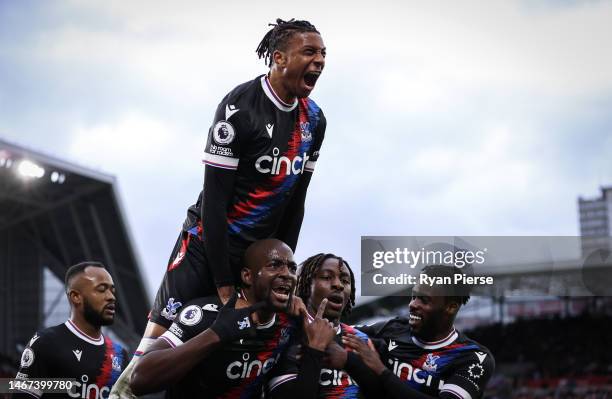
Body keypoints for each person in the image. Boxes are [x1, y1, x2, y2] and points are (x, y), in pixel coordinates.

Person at [112, 18, 327, 398]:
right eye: (309, 52)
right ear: (278, 58)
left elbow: (297, 201)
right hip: (204, 246)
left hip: (256, 255)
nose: (320, 61)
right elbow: (214, 203)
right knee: (150, 355)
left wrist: (284, 267)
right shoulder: (239, 108)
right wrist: (224, 282)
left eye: (323, 54)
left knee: (257, 337)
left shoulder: (314, 120)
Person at [129, 239, 335, 398]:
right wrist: (217, 334)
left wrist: (315, 350)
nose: (287, 274)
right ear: (247, 276)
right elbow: (140, 379)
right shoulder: (206, 313)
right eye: (274, 265)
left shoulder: (288, 324)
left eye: (291, 268)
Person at [342, 265, 495, 399]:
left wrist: (381, 370)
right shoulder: (392, 328)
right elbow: (339, 331)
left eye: (424, 300)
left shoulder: (473, 358)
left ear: (451, 307)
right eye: (414, 296)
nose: (412, 304)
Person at [14, 262, 128, 399]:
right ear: (76, 297)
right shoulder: (46, 343)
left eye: (112, 290)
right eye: (102, 289)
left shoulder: (120, 355)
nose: (111, 297)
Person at [267, 253, 375, 399]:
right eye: (326, 277)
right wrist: (315, 350)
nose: (338, 285)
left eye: (345, 280)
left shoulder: (361, 339)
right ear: (304, 284)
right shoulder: (285, 334)